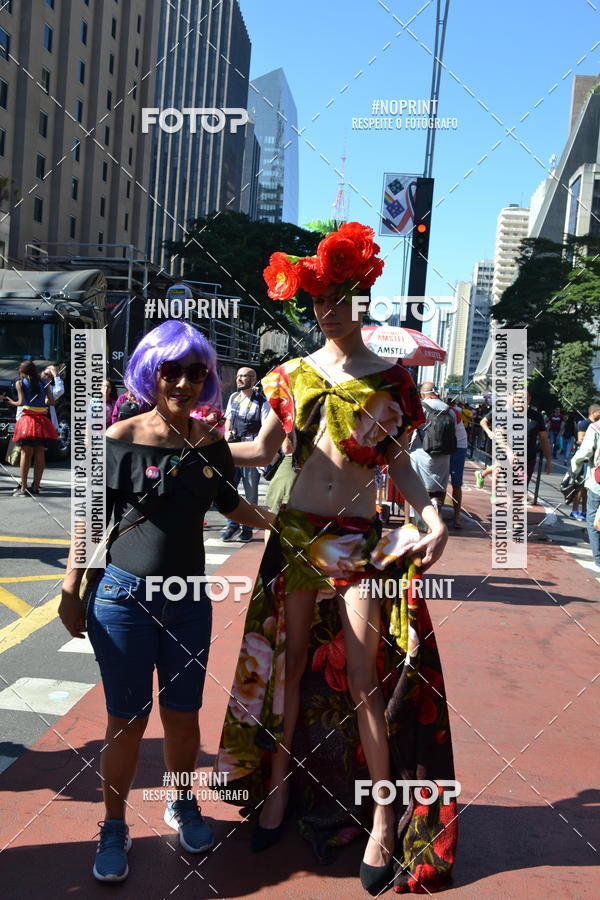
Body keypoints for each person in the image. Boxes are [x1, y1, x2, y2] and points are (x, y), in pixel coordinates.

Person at [216, 223, 457, 895]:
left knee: (362, 676)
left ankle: (383, 816)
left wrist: (430, 513)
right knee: (290, 668)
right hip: (294, 532)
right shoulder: (289, 376)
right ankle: (278, 790)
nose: (328, 312)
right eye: (318, 301)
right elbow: (262, 453)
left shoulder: (392, 381)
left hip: (357, 535)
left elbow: (399, 463)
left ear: (362, 298)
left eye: (340, 297)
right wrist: (193, 442)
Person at [58, 320, 274, 883]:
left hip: (187, 601)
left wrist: (287, 524)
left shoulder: (209, 443)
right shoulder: (115, 440)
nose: (181, 382)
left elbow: (233, 508)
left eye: (194, 372)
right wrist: (69, 589)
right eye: (169, 371)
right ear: (149, 373)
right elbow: (89, 521)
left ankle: (182, 802)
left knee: (182, 719)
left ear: (207, 378)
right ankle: (112, 825)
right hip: (122, 599)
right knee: (126, 721)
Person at [220, 367, 270, 543]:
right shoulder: (234, 398)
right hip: (233, 448)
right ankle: (232, 525)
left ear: (253, 379)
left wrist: (259, 447)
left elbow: (266, 427)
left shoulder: (262, 401)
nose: (240, 379)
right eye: (239, 376)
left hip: (250, 449)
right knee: (230, 488)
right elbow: (228, 419)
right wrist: (226, 433)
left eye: (245, 376)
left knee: (250, 491)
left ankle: (247, 528)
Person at [1, 360, 58, 495]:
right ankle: (36, 487)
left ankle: (23, 487)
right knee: (40, 453)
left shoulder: (20, 383)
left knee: (25, 454)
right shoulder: (45, 382)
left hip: (27, 421)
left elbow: (20, 402)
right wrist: (43, 401)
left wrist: (8, 401)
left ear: (22, 372)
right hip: (42, 422)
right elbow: (52, 402)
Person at [409, 382, 456, 518]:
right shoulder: (449, 409)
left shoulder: (421, 407)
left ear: (423, 394)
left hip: (421, 453)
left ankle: (409, 520)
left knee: (413, 487)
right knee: (439, 489)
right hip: (443, 455)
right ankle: (436, 517)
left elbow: (410, 428)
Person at [571, 415, 600, 573]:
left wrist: (573, 471)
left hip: (597, 483)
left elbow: (585, 453)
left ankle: (598, 559)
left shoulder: (596, 427)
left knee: (593, 517)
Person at [572, 404, 600, 521]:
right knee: (581, 486)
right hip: (585, 460)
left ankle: (584, 511)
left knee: (587, 489)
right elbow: (580, 440)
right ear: (594, 412)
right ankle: (575, 510)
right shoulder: (584, 424)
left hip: (593, 459)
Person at [448, 401, 469, 528]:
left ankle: (457, 516)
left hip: (458, 446)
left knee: (456, 483)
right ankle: (436, 516)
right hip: (443, 446)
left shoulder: (454, 412)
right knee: (440, 482)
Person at [41, 364, 65, 432]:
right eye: (45, 373)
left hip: (47, 424)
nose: (46, 376)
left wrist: (56, 375)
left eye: (49, 376)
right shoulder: (34, 385)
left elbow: (60, 390)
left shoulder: (50, 389)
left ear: (51, 379)